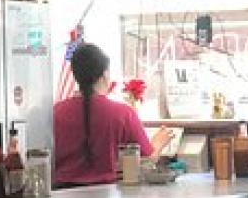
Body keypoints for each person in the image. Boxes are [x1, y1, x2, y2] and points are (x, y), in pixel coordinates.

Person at [54, 43, 173, 186]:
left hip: (62, 194)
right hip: (109, 193)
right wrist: (158, 143)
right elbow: (146, 161)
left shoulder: (56, 113)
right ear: (105, 74)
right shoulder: (123, 114)